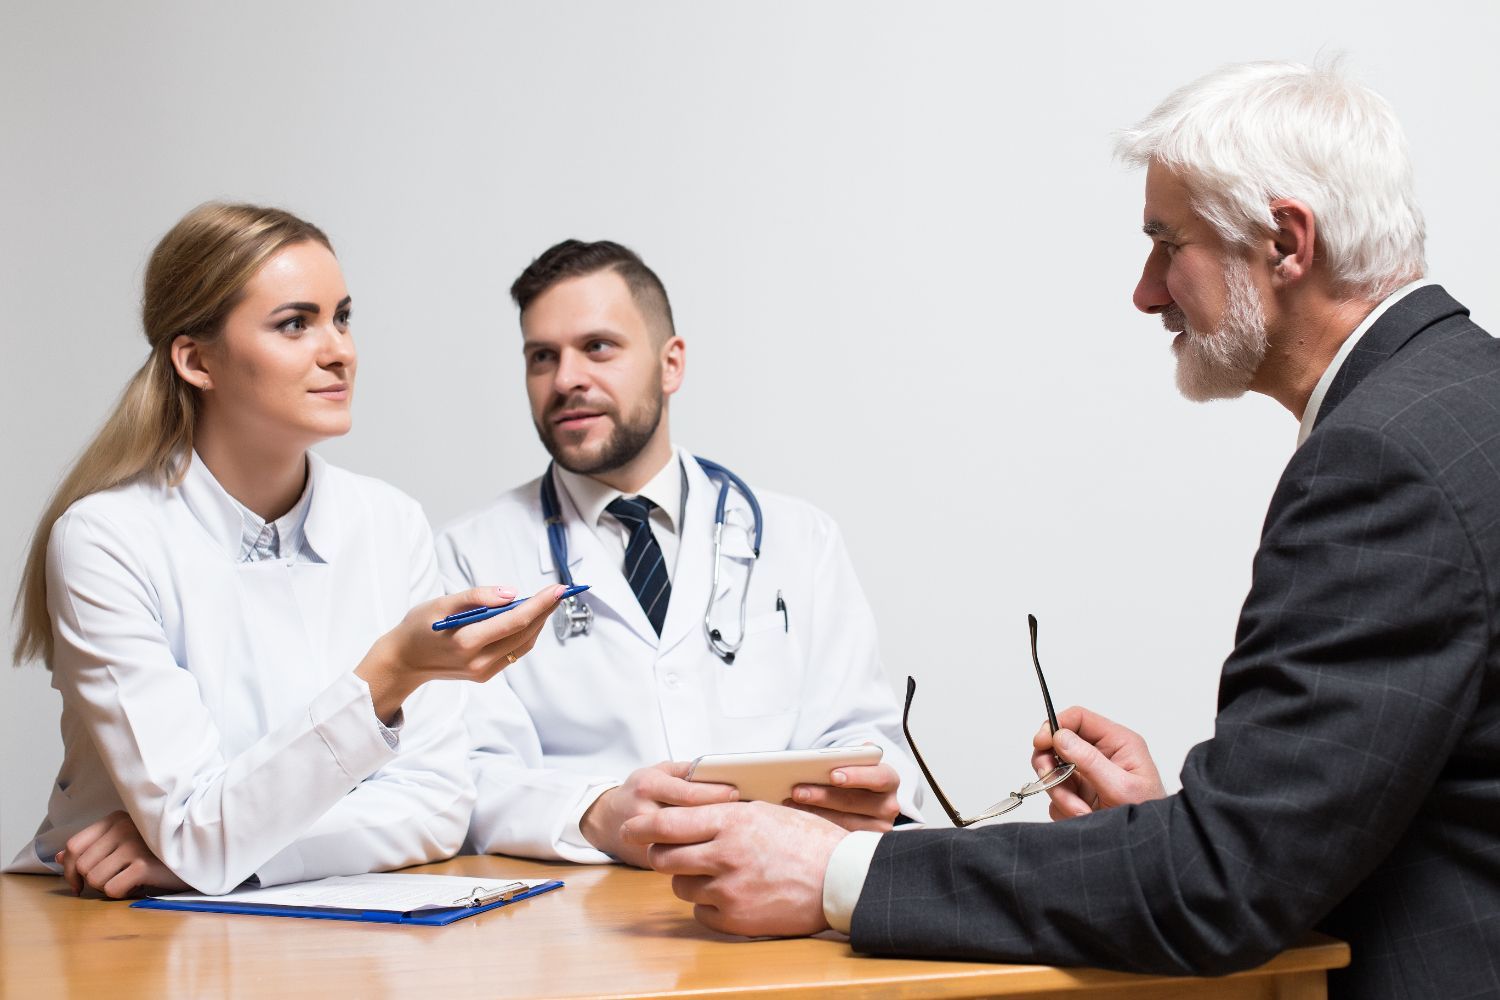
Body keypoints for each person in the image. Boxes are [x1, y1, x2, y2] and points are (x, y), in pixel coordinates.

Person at [619, 61, 1500, 998]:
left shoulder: (1378, 461)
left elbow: (1227, 886)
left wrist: (836, 874)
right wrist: (1175, 823)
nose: (1146, 291)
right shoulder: (1463, 399)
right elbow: (1322, 829)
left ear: (1285, 243)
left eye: (1169, 244)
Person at [6, 203, 560, 898]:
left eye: (343, 317)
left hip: (296, 921)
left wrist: (222, 851)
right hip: (112, 925)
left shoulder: (390, 523)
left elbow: (438, 806)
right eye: (295, 324)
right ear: (196, 360)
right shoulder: (105, 541)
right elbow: (192, 827)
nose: (339, 351)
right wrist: (388, 673)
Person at [437, 240, 923, 867]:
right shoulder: (469, 555)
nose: (566, 380)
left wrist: (865, 790)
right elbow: (467, 771)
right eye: (541, 357)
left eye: (598, 347)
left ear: (671, 365)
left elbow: (866, 737)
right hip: (582, 919)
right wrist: (594, 810)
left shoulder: (800, 538)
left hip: (782, 896)